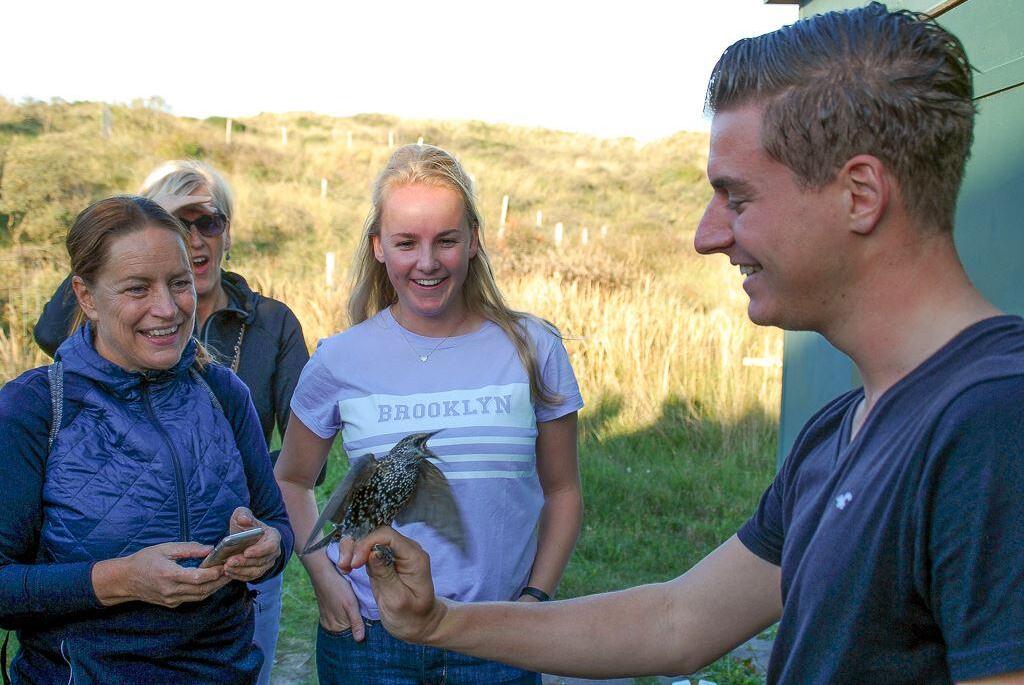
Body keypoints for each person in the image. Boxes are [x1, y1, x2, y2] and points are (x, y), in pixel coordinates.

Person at [338, 5, 1024, 684]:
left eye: (738, 198)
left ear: (860, 193)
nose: (708, 234)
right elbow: (679, 618)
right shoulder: (841, 430)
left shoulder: (994, 426)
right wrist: (440, 622)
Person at [274, 144, 583, 684]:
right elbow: (292, 478)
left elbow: (563, 491)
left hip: (500, 638)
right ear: (378, 248)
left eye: (446, 240)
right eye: (405, 243)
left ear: (474, 241)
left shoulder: (534, 348)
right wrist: (323, 576)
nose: (427, 261)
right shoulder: (339, 359)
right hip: (372, 643)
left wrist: (536, 597)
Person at [32, 160, 310, 685]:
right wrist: (120, 581)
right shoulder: (35, 407)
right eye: (137, 288)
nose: (165, 308)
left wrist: (269, 546)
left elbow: (276, 518)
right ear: (87, 297)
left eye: (178, 283)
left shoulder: (227, 390)